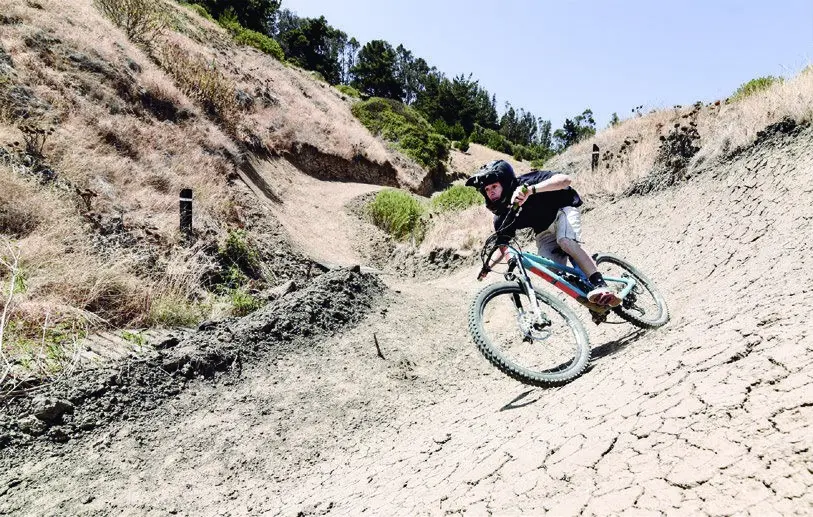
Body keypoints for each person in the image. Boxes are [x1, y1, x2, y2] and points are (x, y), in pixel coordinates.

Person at [465, 159, 621, 307]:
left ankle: (600, 284)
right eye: (487, 189)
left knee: (565, 240)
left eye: (494, 186)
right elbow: (504, 246)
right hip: (543, 232)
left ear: (505, 183)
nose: (490, 192)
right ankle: (593, 300)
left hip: (562, 210)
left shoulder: (527, 183)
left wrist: (531, 191)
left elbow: (565, 180)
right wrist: (487, 266)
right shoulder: (501, 217)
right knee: (550, 271)